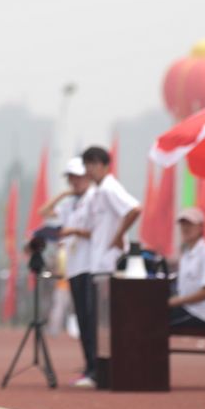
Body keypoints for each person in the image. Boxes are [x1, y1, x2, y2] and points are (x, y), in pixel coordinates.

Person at [78, 145, 142, 388]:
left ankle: (104, 372)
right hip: (97, 264)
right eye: (87, 164)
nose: (90, 169)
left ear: (105, 166)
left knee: (104, 322)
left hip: (108, 264)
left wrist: (119, 236)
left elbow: (134, 209)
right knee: (97, 322)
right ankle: (100, 371)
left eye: (94, 164)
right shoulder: (97, 191)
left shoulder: (109, 188)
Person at [37, 157, 97, 386]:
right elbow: (44, 212)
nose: (74, 181)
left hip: (91, 266)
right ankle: (89, 367)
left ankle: (96, 369)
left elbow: (100, 231)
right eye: (71, 178)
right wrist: (64, 194)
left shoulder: (95, 199)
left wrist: (74, 231)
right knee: (82, 319)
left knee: (91, 320)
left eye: (77, 177)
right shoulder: (70, 204)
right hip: (74, 267)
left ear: (87, 176)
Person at [169, 208, 205, 329]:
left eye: (190, 224)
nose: (185, 228)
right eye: (183, 224)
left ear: (201, 227)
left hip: (199, 314)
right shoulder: (186, 254)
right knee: (151, 314)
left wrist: (175, 301)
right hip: (186, 308)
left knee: (154, 320)